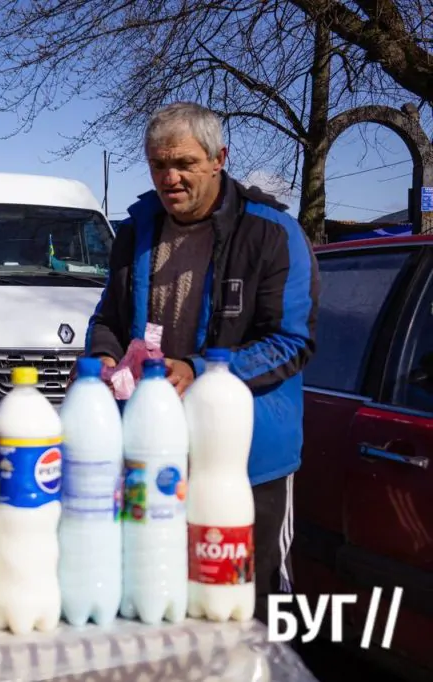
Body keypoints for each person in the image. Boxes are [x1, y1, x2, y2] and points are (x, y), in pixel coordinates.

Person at [82, 102, 319, 623]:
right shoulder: (136, 229)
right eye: (158, 164)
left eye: (184, 163)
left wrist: (198, 369)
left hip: (244, 463)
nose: (170, 178)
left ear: (218, 159)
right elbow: (109, 318)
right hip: (153, 454)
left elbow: (289, 342)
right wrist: (103, 356)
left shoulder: (272, 233)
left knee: (249, 605)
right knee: (159, 595)